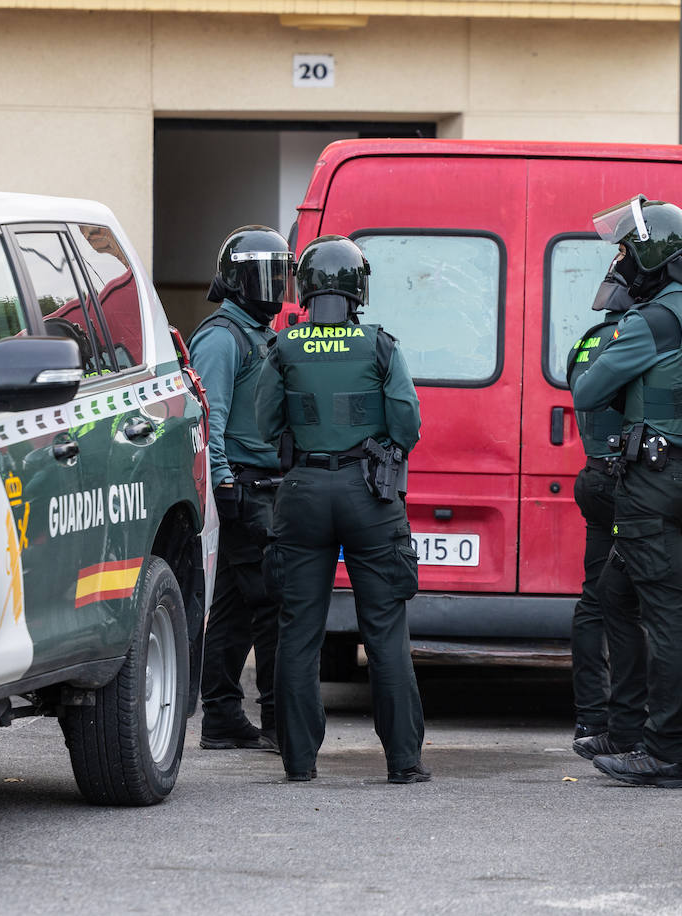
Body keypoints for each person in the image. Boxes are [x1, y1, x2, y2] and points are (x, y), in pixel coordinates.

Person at [570, 196, 682, 789]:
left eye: (626, 251)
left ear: (649, 257)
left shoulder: (653, 321)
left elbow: (590, 389)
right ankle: (629, 730)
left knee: (666, 615)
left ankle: (666, 753)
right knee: (617, 593)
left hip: (654, 480)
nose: (623, 263)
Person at [254, 234, 428, 784]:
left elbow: (263, 425)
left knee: (298, 632)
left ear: (304, 290)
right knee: (384, 633)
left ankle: (299, 763)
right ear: (358, 291)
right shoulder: (380, 346)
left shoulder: (282, 347)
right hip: (368, 495)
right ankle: (403, 762)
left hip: (302, 493)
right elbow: (407, 423)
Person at [189, 225, 292, 750]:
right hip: (247, 490)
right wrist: (226, 484)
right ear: (236, 279)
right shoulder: (222, 336)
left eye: (281, 274)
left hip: (261, 487)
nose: (273, 287)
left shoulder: (256, 333)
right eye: (264, 276)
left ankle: (223, 718)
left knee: (232, 610)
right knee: (273, 605)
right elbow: (211, 421)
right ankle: (277, 721)